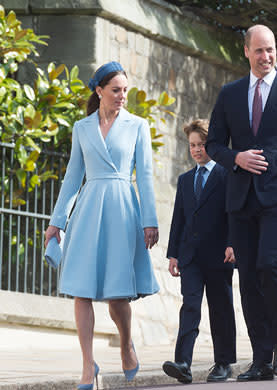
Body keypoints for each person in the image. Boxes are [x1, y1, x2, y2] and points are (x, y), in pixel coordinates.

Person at [205, 24, 277, 381]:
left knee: (269, 265)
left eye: (271, 50)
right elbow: (213, 145)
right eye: (259, 51)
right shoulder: (230, 93)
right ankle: (260, 360)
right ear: (246, 52)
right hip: (240, 199)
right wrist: (235, 158)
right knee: (249, 279)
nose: (266, 57)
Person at [43, 61, 159, 389]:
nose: (122, 96)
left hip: (123, 210)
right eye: (115, 90)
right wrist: (57, 223)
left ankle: (125, 344)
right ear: (99, 91)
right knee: (81, 291)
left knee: (117, 296)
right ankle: (86, 365)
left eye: (125, 90)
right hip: (88, 209)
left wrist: (149, 220)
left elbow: (146, 176)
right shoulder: (82, 128)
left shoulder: (138, 125)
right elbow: (72, 178)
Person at [162, 120, 237, 383]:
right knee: (190, 305)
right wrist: (173, 254)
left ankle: (224, 363)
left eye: (201, 145)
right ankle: (183, 362)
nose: (196, 149)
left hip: (220, 255)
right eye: (192, 145)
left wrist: (232, 243)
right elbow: (178, 220)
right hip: (190, 256)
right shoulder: (185, 180)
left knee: (221, 308)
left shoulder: (227, 175)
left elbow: (233, 214)